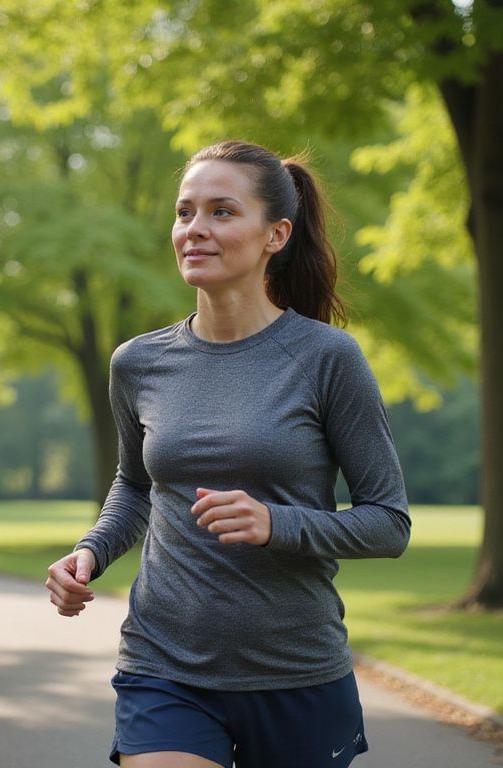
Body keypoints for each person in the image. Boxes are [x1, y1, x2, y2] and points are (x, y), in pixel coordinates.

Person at [44, 140, 410, 768]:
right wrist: (90, 551)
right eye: (186, 212)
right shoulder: (137, 363)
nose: (195, 230)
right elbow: (135, 486)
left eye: (221, 212)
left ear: (276, 234)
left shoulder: (327, 359)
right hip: (165, 664)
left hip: (295, 670)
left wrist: (278, 524)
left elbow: (388, 522)